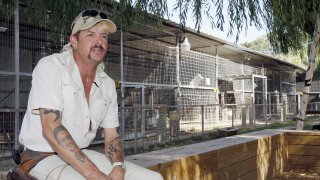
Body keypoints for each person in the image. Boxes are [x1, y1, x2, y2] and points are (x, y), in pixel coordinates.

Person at [19, 9, 163, 180]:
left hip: (82, 154)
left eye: (104, 36)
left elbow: (112, 136)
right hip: (41, 157)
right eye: (90, 35)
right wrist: (93, 173)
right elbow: (51, 126)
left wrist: (118, 167)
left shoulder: (107, 84)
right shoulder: (51, 67)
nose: (99, 41)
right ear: (74, 40)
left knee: (152, 178)